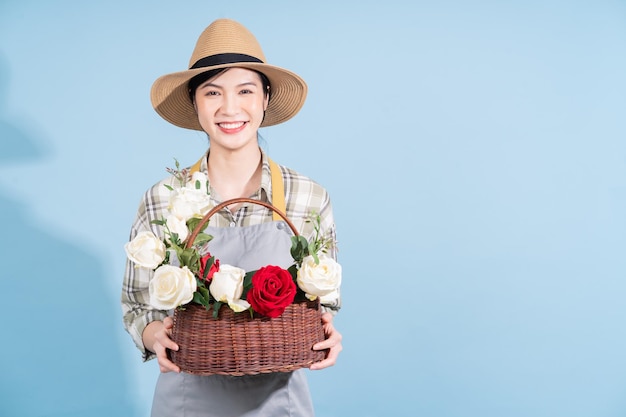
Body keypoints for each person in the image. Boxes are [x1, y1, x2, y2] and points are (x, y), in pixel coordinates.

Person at [121, 18, 343, 416]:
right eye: (212, 92)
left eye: (245, 90)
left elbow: (323, 305)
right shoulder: (161, 200)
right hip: (187, 399)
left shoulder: (309, 197)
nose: (229, 108)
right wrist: (156, 337)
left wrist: (328, 334)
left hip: (281, 402)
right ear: (195, 103)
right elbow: (138, 305)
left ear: (264, 98)